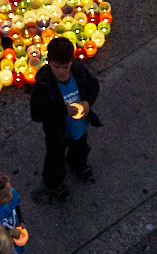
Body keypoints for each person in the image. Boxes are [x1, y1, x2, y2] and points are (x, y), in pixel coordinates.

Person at [29, 35, 97, 201]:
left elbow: (93, 87)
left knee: (80, 146)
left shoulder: (79, 71)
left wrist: (87, 103)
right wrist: (63, 111)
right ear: (49, 62)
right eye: (56, 67)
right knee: (55, 158)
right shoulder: (44, 85)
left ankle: (78, 163)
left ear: (72, 62)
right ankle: (54, 183)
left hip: (79, 126)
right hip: (57, 131)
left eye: (65, 67)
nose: (62, 71)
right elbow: (37, 113)